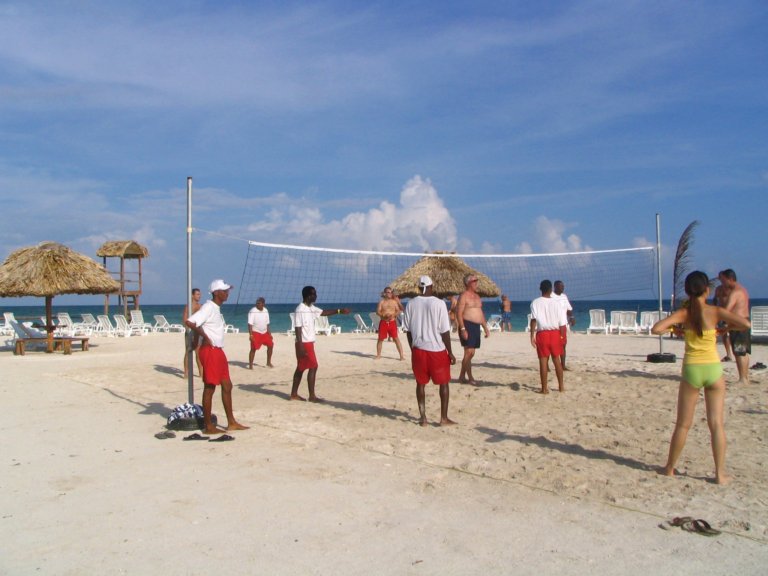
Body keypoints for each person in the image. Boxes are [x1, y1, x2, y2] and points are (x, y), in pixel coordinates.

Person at [651, 271, 750, 484]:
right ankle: (720, 474)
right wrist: (724, 329)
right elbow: (746, 324)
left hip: (692, 370)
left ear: (687, 291)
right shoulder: (715, 311)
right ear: (707, 290)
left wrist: (677, 329)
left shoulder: (685, 313)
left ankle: (669, 468)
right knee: (716, 424)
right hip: (713, 369)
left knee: (683, 424)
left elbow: (656, 329)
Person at [185, 279, 249, 434]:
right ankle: (208, 426)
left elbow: (198, 325)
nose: (227, 293)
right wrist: (204, 338)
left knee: (227, 385)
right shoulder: (208, 307)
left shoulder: (216, 308)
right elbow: (191, 322)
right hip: (210, 350)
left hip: (218, 350)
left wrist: (196, 339)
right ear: (216, 292)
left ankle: (231, 422)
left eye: (227, 290)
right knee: (210, 387)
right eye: (224, 291)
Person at [402, 275, 456, 426]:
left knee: (420, 383)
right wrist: (450, 352)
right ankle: (443, 418)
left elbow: (408, 331)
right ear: (431, 287)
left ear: (419, 288)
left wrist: (413, 349)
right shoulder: (439, 304)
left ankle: (423, 418)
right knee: (444, 383)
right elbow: (445, 331)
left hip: (418, 350)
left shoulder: (410, 304)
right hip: (436, 351)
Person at [291, 286, 350, 402]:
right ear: (308, 296)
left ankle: (294, 394)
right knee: (313, 366)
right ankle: (311, 396)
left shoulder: (310, 308)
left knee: (301, 368)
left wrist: (339, 311)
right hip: (304, 343)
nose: (316, 296)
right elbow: (297, 328)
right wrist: (300, 345)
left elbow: (323, 312)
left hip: (308, 343)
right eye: (314, 294)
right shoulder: (300, 309)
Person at [529, 279, 566, 394]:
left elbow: (533, 321)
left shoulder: (535, 302)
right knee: (557, 361)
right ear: (551, 290)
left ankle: (544, 389)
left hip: (542, 334)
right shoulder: (557, 303)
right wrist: (562, 337)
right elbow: (562, 324)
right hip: (555, 333)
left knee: (543, 362)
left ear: (540, 289)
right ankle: (561, 387)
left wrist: (531, 336)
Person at [456, 273, 490, 385]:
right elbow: (459, 314)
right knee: (469, 351)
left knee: (471, 353)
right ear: (469, 283)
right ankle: (470, 377)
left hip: (476, 326)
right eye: (474, 281)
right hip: (467, 324)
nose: (477, 283)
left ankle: (461, 376)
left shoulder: (477, 296)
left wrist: (485, 328)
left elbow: (480, 313)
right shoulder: (463, 296)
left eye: (476, 280)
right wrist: (462, 328)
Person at [720, 269, 752, 384]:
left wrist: (717, 317)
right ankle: (745, 376)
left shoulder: (735, 292)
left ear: (730, 279)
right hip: (743, 321)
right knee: (744, 351)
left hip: (738, 323)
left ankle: (743, 378)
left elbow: (726, 309)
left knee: (739, 352)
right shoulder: (742, 289)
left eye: (723, 280)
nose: (722, 283)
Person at [375, 287, 405, 360]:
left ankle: (401, 356)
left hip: (392, 322)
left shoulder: (394, 302)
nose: (390, 294)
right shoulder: (381, 302)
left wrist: (393, 315)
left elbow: (399, 310)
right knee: (380, 339)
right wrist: (383, 315)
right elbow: (377, 311)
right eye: (388, 292)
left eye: (391, 292)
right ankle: (378, 355)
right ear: (385, 293)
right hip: (384, 322)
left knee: (396, 339)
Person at [552, 280, 575, 370]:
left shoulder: (564, 297)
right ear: (555, 287)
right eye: (561, 286)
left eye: (563, 286)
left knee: (563, 345)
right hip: (553, 325)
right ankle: (546, 365)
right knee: (552, 346)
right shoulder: (551, 296)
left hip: (563, 325)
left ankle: (563, 365)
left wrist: (572, 317)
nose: (563, 287)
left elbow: (569, 309)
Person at [182, 287, 203, 378]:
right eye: (197, 294)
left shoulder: (200, 306)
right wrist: (189, 331)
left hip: (198, 331)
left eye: (200, 294)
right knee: (188, 351)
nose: (199, 296)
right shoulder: (189, 306)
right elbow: (185, 320)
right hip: (190, 331)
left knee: (198, 353)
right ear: (192, 295)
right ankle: (186, 372)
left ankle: (201, 372)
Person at [248, 297, 274, 369]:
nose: (257, 304)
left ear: (263, 304)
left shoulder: (266, 310)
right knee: (253, 349)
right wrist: (251, 335)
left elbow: (267, 323)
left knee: (271, 345)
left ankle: (268, 362)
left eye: (259, 303)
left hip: (265, 332)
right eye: (256, 303)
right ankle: (250, 365)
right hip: (256, 332)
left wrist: (269, 333)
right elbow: (250, 324)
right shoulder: (253, 311)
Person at [714, 270, 734, 362]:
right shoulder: (718, 289)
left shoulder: (732, 289)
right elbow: (715, 300)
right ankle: (728, 354)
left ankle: (738, 353)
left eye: (721, 277)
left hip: (731, 313)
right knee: (724, 334)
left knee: (734, 333)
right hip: (721, 313)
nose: (720, 279)